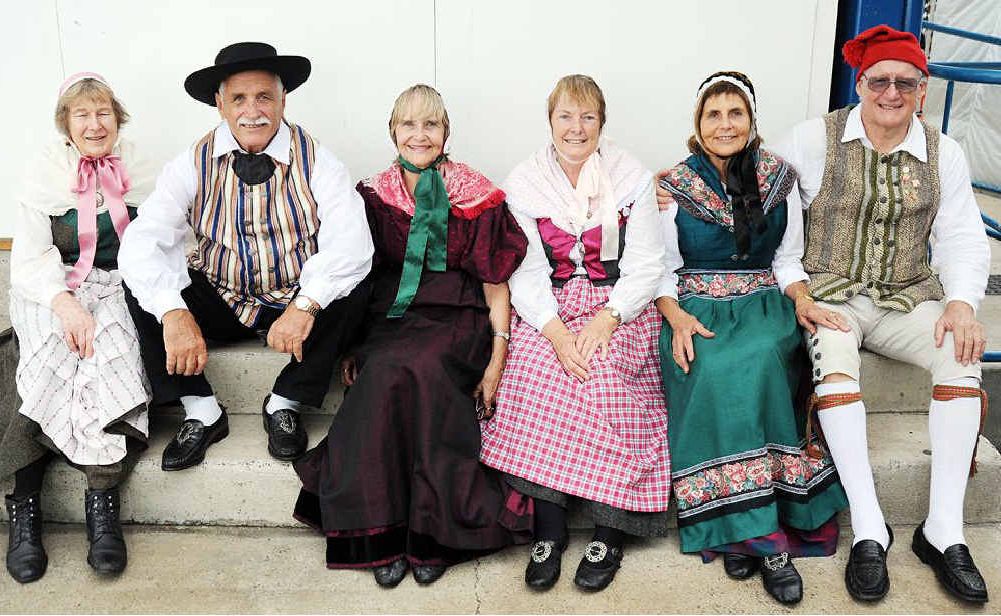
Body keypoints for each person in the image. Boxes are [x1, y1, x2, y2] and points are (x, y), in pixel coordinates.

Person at [772, 26, 990, 604]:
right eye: (879, 81)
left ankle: (943, 529)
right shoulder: (812, 139)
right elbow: (767, 209)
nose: (891, 93)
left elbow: (963, 237)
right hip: (831, 295)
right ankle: (871, 526)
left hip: (906, 296)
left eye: (905, 82)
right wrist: (680, 181)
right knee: (836, 365)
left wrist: (962, 303)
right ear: (859, 83)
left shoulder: (945, 151)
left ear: (922, 89)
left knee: (960, 360)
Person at [293, 84, 531, 587]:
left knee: (422, 370)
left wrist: (496, 360)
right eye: (409, 124)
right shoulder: (374, 195)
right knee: (383, 373)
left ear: (447, 132)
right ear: (392, 131)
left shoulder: (477, 194)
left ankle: (435, 535)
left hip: (459, 319)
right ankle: (379, 532)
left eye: (431, 124)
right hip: (394, 319)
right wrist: (355, 342)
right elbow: (361, 274)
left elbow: (495, 285)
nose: (419, 135)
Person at [119, 43, 373, 470]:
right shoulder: (191, 162)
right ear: (219, 104)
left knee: (358, 277)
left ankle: (285, 401)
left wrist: (306, 304)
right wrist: (173, 313)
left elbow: (351, 243)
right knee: (138, 279)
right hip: (224, 295)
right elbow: (145, 241)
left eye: (263, 97)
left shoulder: (319, 161)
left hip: (293, 304)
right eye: (238, 98)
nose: (252, 110)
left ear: (282, 101)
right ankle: (201, 409)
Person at [655, 71, 849, 605]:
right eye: (713, 115)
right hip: (692, 305)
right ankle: (758, 537)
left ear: (751, 120)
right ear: (698, 124)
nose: (725, 124)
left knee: (764, 359)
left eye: (734, 113)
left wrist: (804, 301)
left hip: (763, 303)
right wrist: (674, 318)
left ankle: (750, 535)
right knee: (713, 367)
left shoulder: (779, 178)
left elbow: (786, 261)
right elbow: (660, 270)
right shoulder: (673, 186)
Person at [479, 74, 669, 592]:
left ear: (602, 122)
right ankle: (550, 529)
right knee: (539, 374)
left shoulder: (630, 177)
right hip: (552, 306)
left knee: (606, 375)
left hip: (619, 304)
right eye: (566, 115)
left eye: (587, 116)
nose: (576, 127)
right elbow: (526, 270)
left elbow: (648, 262)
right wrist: (558, 334)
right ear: (550, 121)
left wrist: (609, 318)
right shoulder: (526, 181)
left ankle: (610, 529)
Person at [2, 73, 155, 582]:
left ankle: (102, 502)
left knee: (111, 349)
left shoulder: (143, 166)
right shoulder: (45, 172)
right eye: (82, 115)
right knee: (41, 353)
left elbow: (167, 236)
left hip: (114, 283)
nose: (95, 124)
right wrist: (63, 302)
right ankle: (24, 507)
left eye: (103, 113)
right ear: (66, 124)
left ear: (118, 118)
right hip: (52, 283)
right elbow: (29, 256)